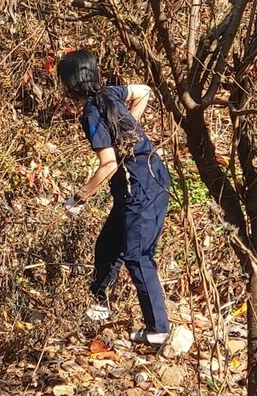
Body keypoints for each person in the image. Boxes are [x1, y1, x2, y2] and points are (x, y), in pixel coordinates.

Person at [57, 49, 172, 346]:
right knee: (108, 245)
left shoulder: (92, 112)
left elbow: (107, 165)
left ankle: (157, 329)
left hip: (141, 188)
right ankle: (99, 306)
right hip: (149, 179)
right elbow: (143, 91)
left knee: (137, 256)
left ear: (69, 83)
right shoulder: (109, 93)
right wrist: (127, 133)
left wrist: (78, 199)